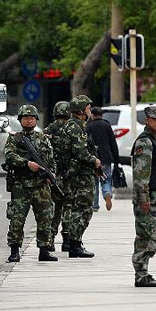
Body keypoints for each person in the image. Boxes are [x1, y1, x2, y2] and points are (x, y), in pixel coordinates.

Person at [4, 105, 57, 262]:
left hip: (41, 185)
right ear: (20, 120)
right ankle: (14, 250)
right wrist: (26, 163)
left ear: (36, 120)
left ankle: (44, 250)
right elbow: (9, 156)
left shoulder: (43, 139)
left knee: (45, 217)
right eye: (25, 118)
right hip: (21, 184)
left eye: (31, 118)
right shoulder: (14, 138)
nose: (28, 121)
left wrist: (51, 174)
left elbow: (51, 160)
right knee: (17, 218)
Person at [131, 105, 156, 287]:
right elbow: (141, 174)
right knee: (145, 237)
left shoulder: (155, 140)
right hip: (150, 198)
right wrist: (143, 198)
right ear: (147, 120)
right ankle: (140, 274)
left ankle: (144, 272)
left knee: (153, 237)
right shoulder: (144, 142)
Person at [60, 95, 100, 258]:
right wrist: (95, 161)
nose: (89, 111)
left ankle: (72, 242)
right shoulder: (75, 127)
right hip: (80, 174)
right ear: (81, 110)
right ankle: (75, 243)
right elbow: (80, 152)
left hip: (75, 173)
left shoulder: (74, 125)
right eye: (88, 108)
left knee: (75, 207)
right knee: (83, 209)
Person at [43, 100, 71, 252]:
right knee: (68, 206)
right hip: (68, 175)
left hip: (52, 175)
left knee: (53, 209)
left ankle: (50, 240)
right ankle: (66, 239)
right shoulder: (71, 129)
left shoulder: (48, 130)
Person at [86, 106, 120, 212]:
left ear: (92, 115)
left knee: (94, 182)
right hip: (106, 156)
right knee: (106, 178)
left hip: (94, 158)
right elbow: (113, 143)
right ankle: (107, 193)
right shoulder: (107, 125)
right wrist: (116, 159)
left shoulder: (89, 126)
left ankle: (94, 205)